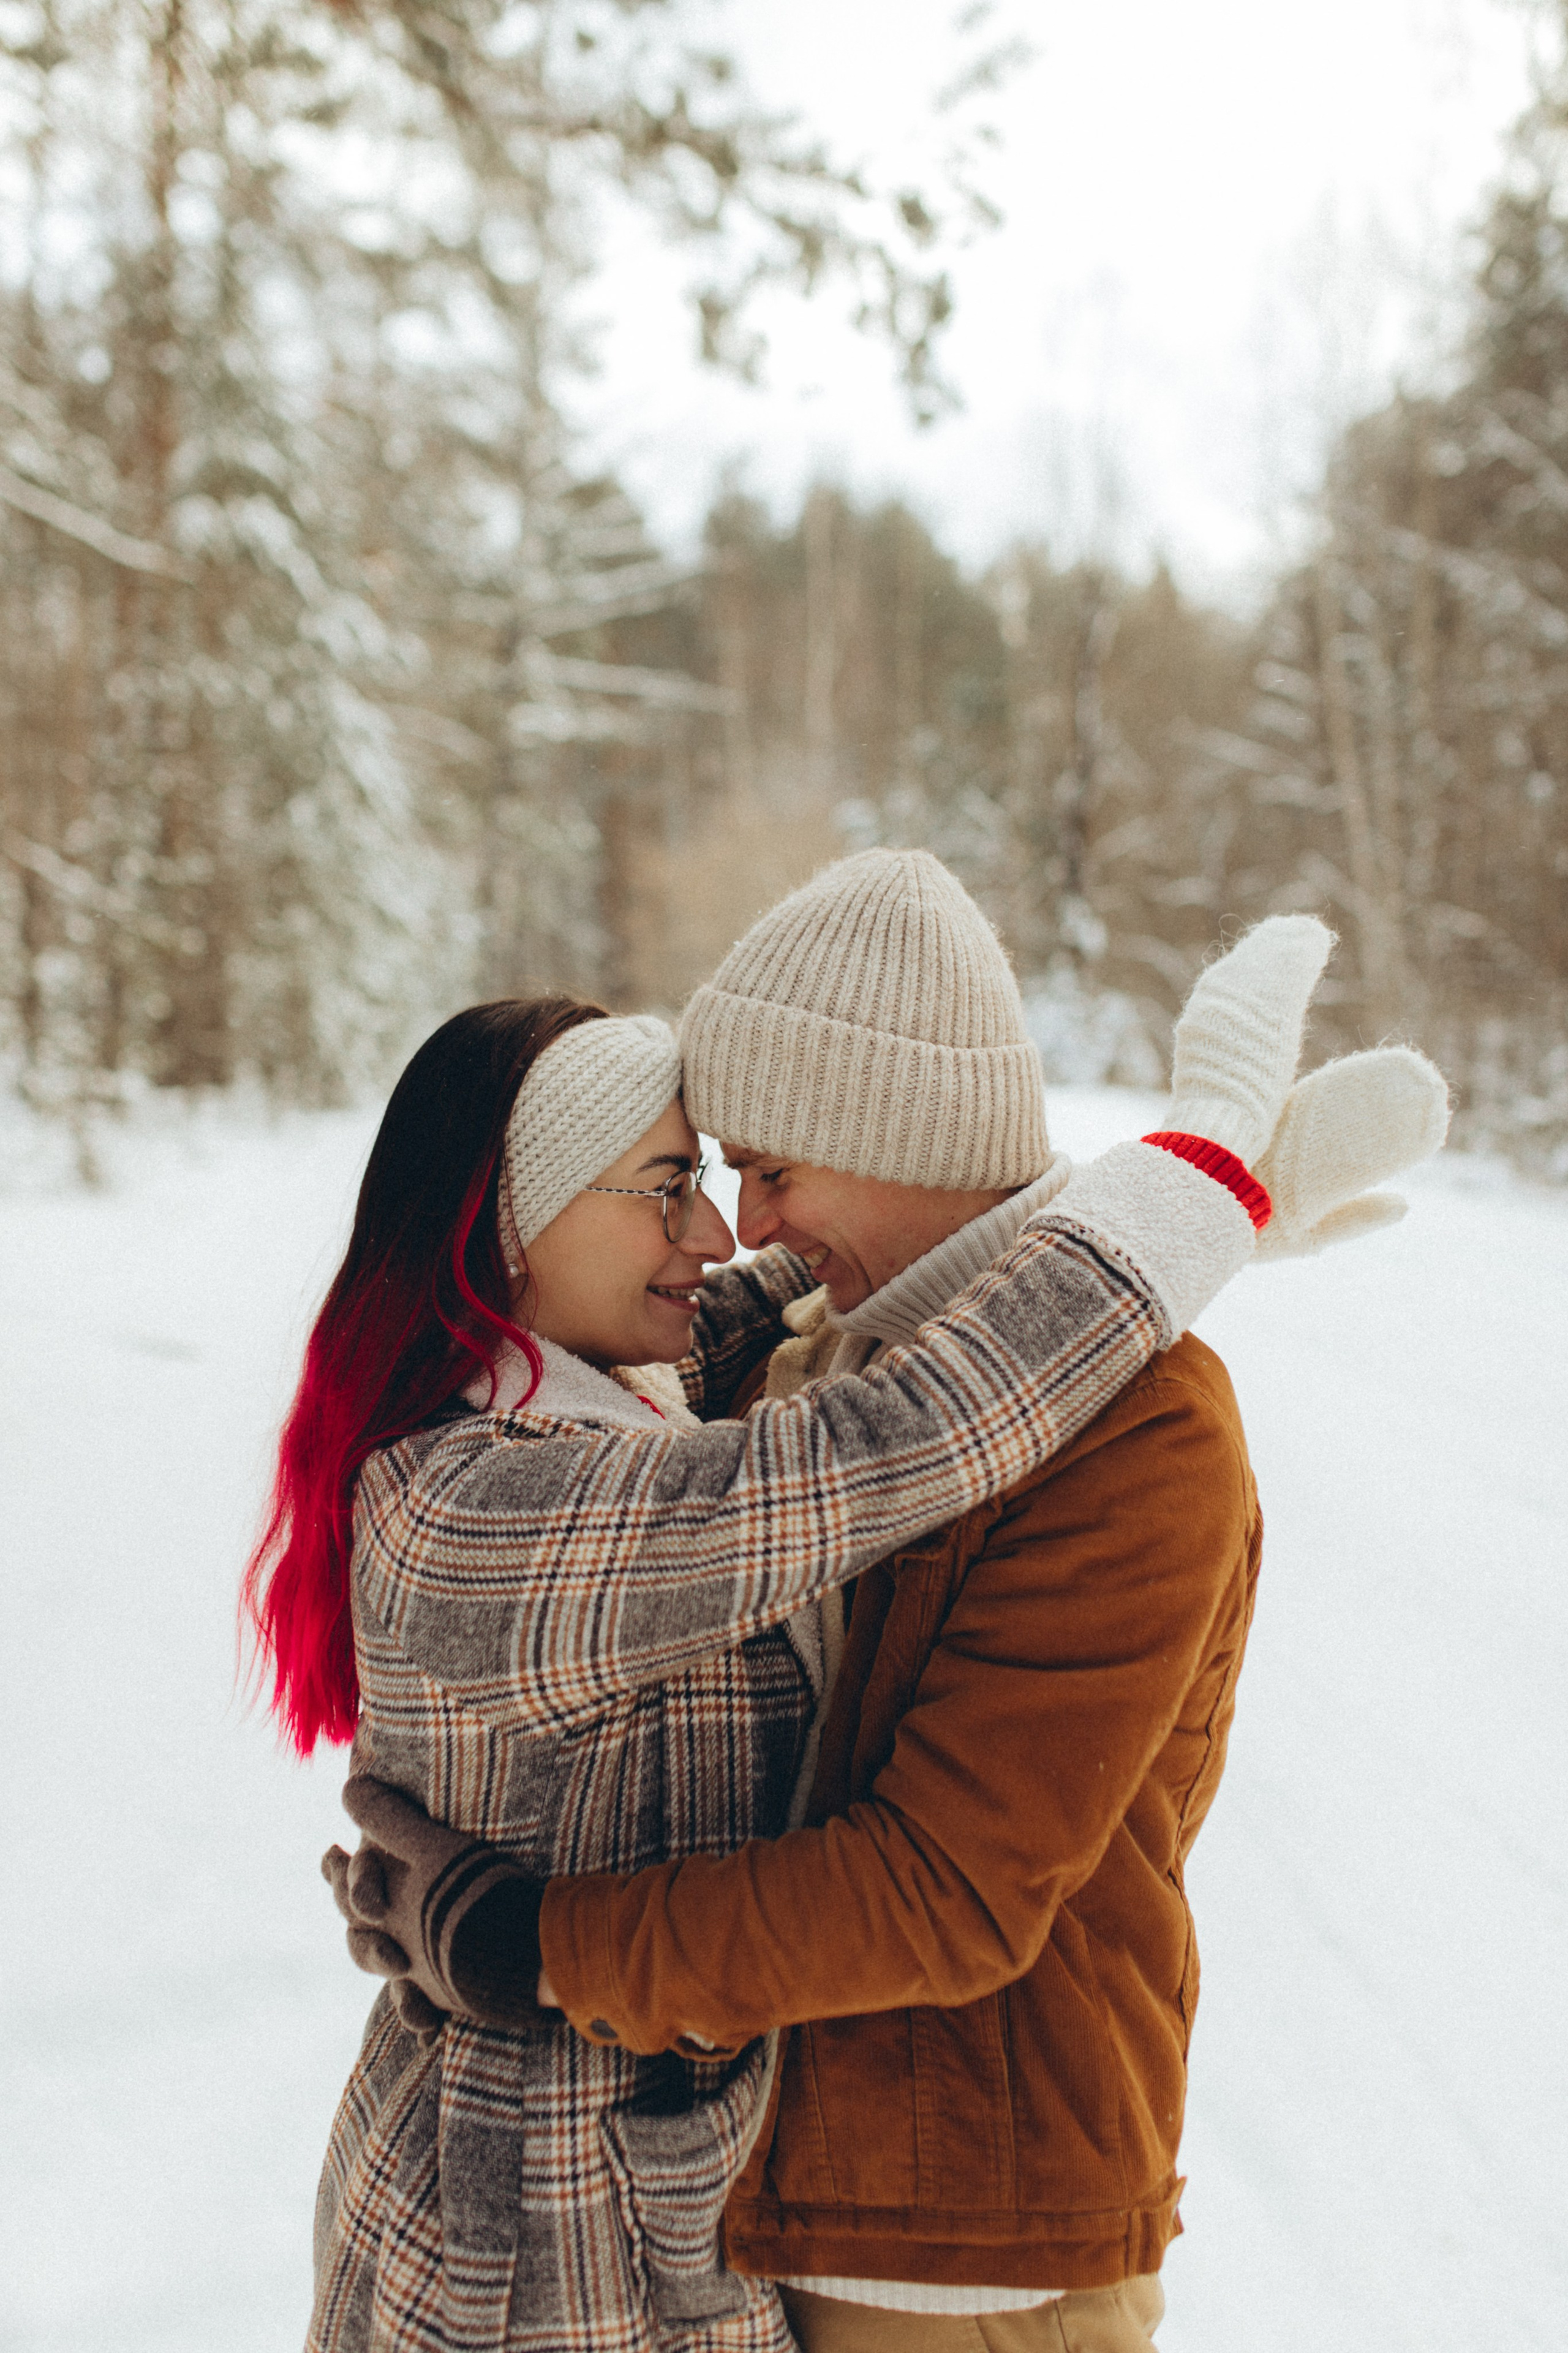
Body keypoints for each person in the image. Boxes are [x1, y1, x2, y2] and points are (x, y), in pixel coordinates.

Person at [277, 859, 1440, 2352]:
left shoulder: (1130, 1423)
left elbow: (943, 1884)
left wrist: (1185, 1207)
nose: (729, 1236)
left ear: (879, 1130)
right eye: (681, 1182)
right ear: (517, 1224)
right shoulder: (538, 1468)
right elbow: (904, 1423)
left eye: (758, 1170)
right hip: (603, 2226)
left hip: (964, 2245)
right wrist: (1186, 1192)